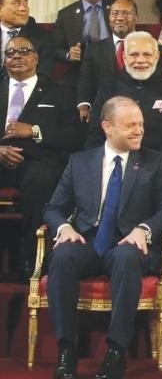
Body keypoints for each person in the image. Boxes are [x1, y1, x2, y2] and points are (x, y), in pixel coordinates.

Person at [43, 96, 162, 379]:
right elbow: (53, 208)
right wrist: (64, 228)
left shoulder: (156, 162)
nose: (139, 130)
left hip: (128, 241)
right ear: (108, 127)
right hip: (88, 241)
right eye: (130, 125)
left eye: (141, 124)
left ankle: (116, 353)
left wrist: (143, 229)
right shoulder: (80, 162)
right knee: (62, 256)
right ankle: (67, 350)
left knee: (127, 257)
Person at [0, 36, 83, 282]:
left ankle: (31, 260)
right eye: (10, 53)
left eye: (24, 51)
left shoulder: (59, 92)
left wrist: (35, 131)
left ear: (36, 58)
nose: (17, 56)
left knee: (41, 180)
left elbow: (75, 137)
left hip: (37, 163)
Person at [85, 31, 162, 186]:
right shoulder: (108, 88)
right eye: (134, 54)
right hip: (114, 167)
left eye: (147, 54)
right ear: (124, 57)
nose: (141, 60)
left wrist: (155, 166)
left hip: (160, 169)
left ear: (156, 57)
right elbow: (95, 135)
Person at [78, 0, 162, 122]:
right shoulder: (94, 49)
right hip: (105, 108)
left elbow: (157, 78)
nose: (120, 18)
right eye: (115, 14)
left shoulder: (152, 47)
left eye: (126, 13)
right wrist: (84, 104)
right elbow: (86, 79)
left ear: (136, 18)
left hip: (142, 107)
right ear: (109, 18)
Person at [53, 0, 113, 93]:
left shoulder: (116, 7)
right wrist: (69, 54)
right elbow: (56, 49)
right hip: (80, 71)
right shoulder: (66, 14)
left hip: (113, 69)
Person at [0, 0, 54, 80]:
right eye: (16, 3)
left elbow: (43, 77)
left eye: (25, 3)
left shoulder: (43, 38)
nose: (23, 8)